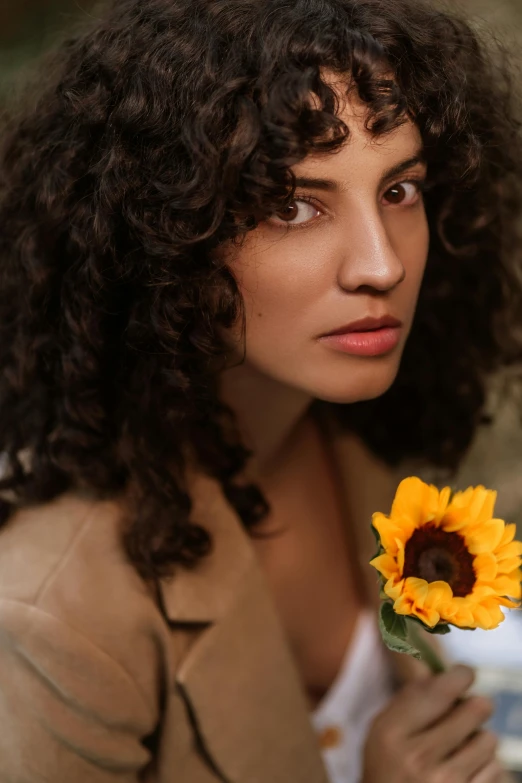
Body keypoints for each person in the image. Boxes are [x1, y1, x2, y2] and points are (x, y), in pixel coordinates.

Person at [0, 0, 520, 780]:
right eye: (292, 205)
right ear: (164, 227)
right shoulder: (54, 614)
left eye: (399, 190)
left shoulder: (363, 437)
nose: (381, 266)